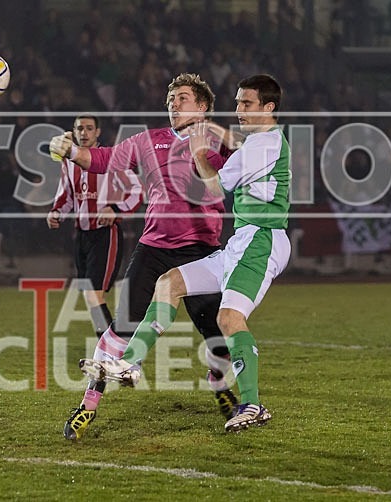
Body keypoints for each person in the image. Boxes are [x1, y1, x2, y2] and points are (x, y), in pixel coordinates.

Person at [78, 74, 291, 433]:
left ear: (269, 107)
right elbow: (234, 145)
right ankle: (129, 364)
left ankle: (251, 404)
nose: (239, 109)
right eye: (238, 102)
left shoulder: (262, 146)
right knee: (169, 284)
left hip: (261, 239)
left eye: (247, 103)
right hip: (236, 241)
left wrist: (198, 152)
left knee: (227, 322)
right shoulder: (258, 140)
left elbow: (215, 186)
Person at [50, 73, 238, 441]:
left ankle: (219, 383)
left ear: (202, 106)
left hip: (201, 251)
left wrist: (213, 134)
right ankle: (87, 406)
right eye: (170, 99)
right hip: (154, 249)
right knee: (121, 327)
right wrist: (71, 151)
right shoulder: (149, 140)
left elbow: (246, 157)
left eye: (182, 98)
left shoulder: (217, 142)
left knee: (219, 336)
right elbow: (104, 158)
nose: (173, 104)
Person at [47, 115, 142, 338]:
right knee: (90, 296)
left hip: (105, 234)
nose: (84, 133)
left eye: (89, 128)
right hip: (82, 235)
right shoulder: (69, 162)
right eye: (80, 128)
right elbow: (66, 195)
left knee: (93, 295)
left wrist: (116, 210)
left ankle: (111, 347)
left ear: (97, 132)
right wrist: (56, 213)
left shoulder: (111, 158)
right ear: (74, 131)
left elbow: (137, 191)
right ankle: (115, 343)